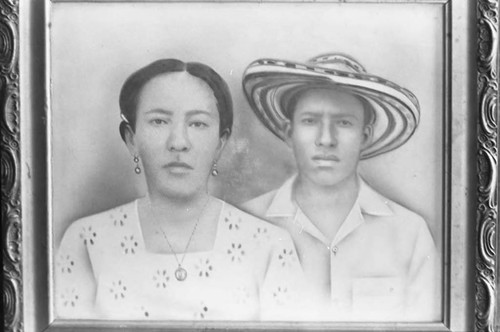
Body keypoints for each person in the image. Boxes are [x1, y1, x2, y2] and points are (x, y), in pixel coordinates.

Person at [55, 59, 307, 321]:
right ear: (132, 139)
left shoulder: (268, 246)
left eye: (197, 124)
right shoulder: (87, 241)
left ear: (221, 142)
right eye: (159, 121)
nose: (178, 142)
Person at [241, 53, 440, 321]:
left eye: (344, 123)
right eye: (310, 121)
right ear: (289, 133)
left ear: (365, 136)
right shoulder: (246, 225)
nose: (326, 139)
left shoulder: (410, 234)